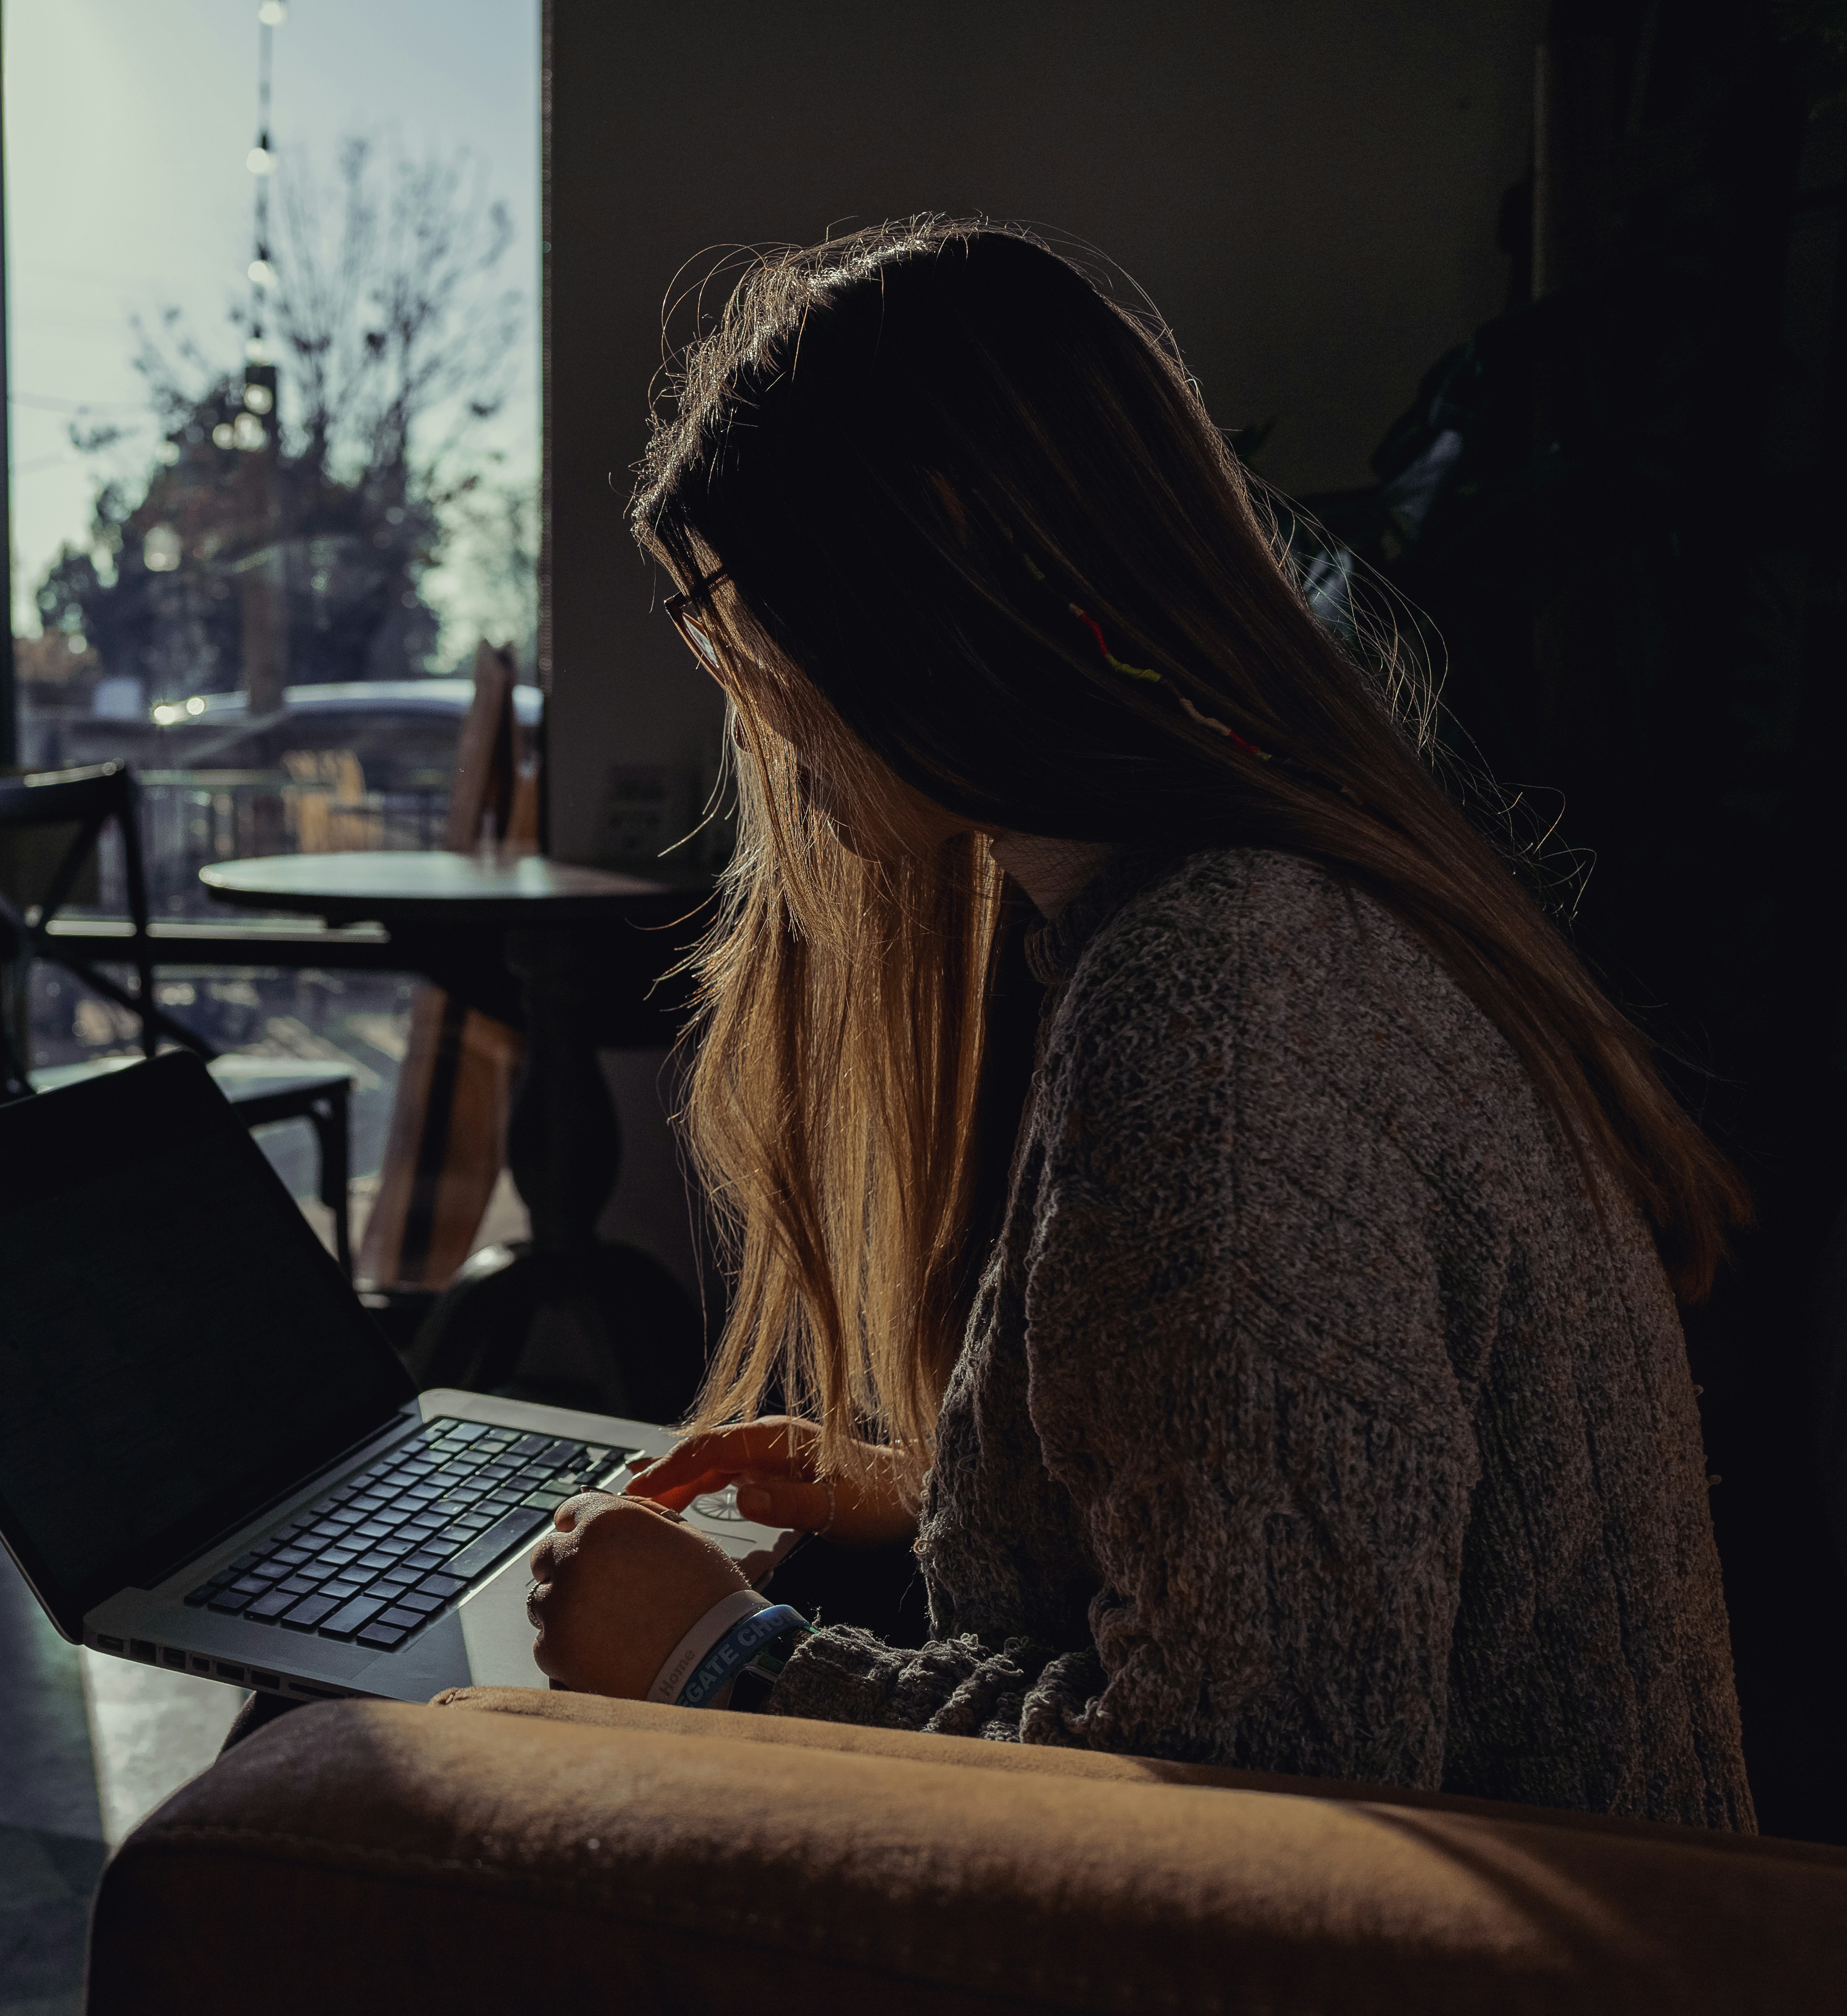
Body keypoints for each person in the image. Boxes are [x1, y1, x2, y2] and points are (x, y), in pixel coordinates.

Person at [521, 217, 1757, 1830]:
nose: (756, 690)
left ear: (941, 575)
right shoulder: (1268, 925)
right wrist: (955, 1498)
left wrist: (720, 1660)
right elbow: (1303, 1522)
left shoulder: (1221, 1022)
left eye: (768, 616)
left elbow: (1260, 1797)